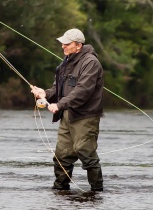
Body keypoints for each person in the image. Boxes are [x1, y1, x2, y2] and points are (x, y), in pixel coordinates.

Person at [31, 28, 104, 192]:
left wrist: (59, 105)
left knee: (85, 153)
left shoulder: (91, 62)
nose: (63, 46)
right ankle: (60, 190)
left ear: (78, 46)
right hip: (67, 116)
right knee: (62, 156)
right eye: (62, 43)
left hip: (85, 117)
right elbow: (58, 89)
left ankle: (97, 192)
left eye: (67, 43)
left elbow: (82, 91)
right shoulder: (65, 62)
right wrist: (46, 94)